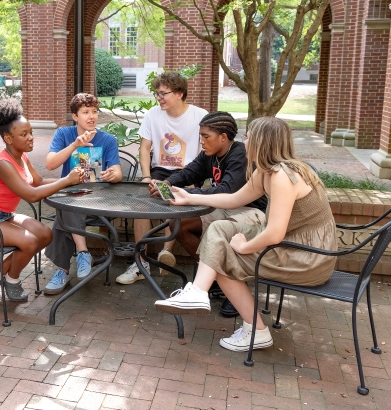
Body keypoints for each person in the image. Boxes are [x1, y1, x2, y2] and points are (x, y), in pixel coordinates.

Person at [154, 117, 337, 352]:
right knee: (218, 230)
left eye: (248, 137)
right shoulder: (266, 171)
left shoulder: (283, 177)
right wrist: (189, 198)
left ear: (262, 142)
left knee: (224, 256)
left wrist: (243, 248)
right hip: (290, 245)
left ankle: (256, 330)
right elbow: (233, 199)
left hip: (307, 256)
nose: (244, 141)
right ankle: (198, 292)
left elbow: (274, 234)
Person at [0, 99, 85, 303]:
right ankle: (12, 280)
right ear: (8, 138)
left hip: (2, 216)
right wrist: (65, 180)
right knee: (29, 241)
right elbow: (31, 195)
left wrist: (72, 182)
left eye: (31, 132)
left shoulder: (21, 157)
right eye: (24, 134)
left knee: (45, 234)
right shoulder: (2, 163)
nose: (31, 138)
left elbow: (40, 182)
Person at [149, 111, 268, 317]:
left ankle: (234, 289)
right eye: (200, 136)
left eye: (206, 136)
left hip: (249, 211)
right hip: (222, 206)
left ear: (223, 137)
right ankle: (216, 279)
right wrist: (168, 183)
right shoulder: (209, 154)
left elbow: (228, 191)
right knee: (180, 224)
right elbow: (190, 172)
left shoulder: (239, 155)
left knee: (218, 230)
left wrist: (188, 193)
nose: (201, 141)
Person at [116, 71, 207, 285]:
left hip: (189, 172)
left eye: (163, 93)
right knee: (141, 207)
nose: (159, 98)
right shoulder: (153, 115)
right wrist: (146, 176)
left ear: (179, 94)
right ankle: (141, 263)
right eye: (157, 94)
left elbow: (206, 151)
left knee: (174, 200)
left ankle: (165, 254)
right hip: (160, 172)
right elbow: (144, 147)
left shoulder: (199, 115)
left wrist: (195, 178)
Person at [43, 93, 123, 294]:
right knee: (68, 203)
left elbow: (118, 173)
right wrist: (75, 145)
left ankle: (62, 270)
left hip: (99, 202)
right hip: (73, 198)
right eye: (85, 112)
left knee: (65, 209)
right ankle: (83, 252)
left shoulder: (108, 140)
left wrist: (112, 175)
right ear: (75, 116)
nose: (91, 116)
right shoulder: (64, 134)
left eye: (94, 112)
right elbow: (51, 164)